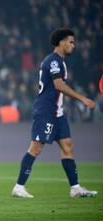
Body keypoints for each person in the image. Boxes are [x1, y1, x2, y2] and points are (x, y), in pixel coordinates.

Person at [12, 28, 98, 198]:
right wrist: (82, 98)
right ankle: (19, 187)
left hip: (57, 113)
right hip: (46, 112)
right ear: (62, 42)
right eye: (71, 42)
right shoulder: (53, 61)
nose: (73, 46)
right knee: (36, 148)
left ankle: (75, 188)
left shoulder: (60, 62)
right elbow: (59, 85)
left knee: (68, 147)